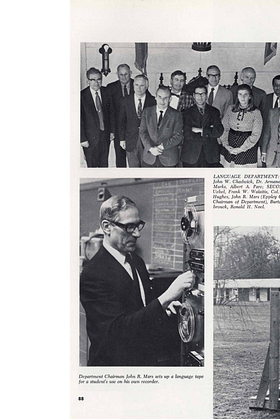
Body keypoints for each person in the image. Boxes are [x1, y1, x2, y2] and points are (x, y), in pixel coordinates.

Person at [80, 195, 195, 366]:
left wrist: (162, 306)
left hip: (144, 360)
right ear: (107, 227)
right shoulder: (93, 274)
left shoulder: (136, 261)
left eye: (138, 225)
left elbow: (141, 307)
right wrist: (166, 297)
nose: (137, 233)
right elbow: (117, 331)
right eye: (129, 227)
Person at [218, 84, 263, 168]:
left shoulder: (256, 112)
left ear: (250, 96)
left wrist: (241, 149)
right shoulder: (231, 108)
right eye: (240, 94)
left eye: (245, 94)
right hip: (230, 145)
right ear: (237, 96)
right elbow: (224, 127)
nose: (243, 97)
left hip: (247, 148)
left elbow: (256, 134)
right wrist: (226, 144)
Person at [139, 86, 184, 167]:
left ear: (170, 99)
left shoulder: (177, 115)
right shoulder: (146, 112)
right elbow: (142, 132)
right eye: (159, 97)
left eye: (165, 98)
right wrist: (151, 149)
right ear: (155, 97)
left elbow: (178, 136)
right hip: (149, 158)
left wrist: (161, 147)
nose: (162, 101)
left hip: (169, 159)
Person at [181, 85, 225, 167]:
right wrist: (209, 132)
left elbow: (219, 131)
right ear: (194, 96)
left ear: (206, 95)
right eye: (198, 94)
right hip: (191, 155)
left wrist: (200, 130)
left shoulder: (214, 111)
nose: (200, 97)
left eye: (203, 94)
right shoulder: (187, 113)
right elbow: (187, 134)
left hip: (210, 155)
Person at [117, 74, 155, 167]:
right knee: (133, 169)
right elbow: (121, 121)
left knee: (147, 168)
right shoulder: (125, 100)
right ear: (133, 85)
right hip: (131, 141)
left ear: (147, 86)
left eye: (142, 85)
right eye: (136, 85)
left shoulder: (153, 101)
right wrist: (122, 139)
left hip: (147, 142)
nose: (139, 88)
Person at [81, 67, 111, 167]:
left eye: (98, 79)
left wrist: (112, 132)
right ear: (87, 81)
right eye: (92, 80)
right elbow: (79, 120)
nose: (96, 82)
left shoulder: (107, 92)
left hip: (105, 136)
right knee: (92, 166)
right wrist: (82, 138)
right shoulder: (82, 96)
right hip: (89, 139)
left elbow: (112, 114)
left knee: (104, 165)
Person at [105, 63, 134, 167]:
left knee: (135, 159)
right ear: (117, 74)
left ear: (130, 73)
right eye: (121, 74)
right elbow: (109, 112)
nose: (124, 77)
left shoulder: (138, 85)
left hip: (134, 129)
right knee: (120, 159)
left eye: (126, 74)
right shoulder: (111, 88)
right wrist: (112, 131)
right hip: (118, 130)